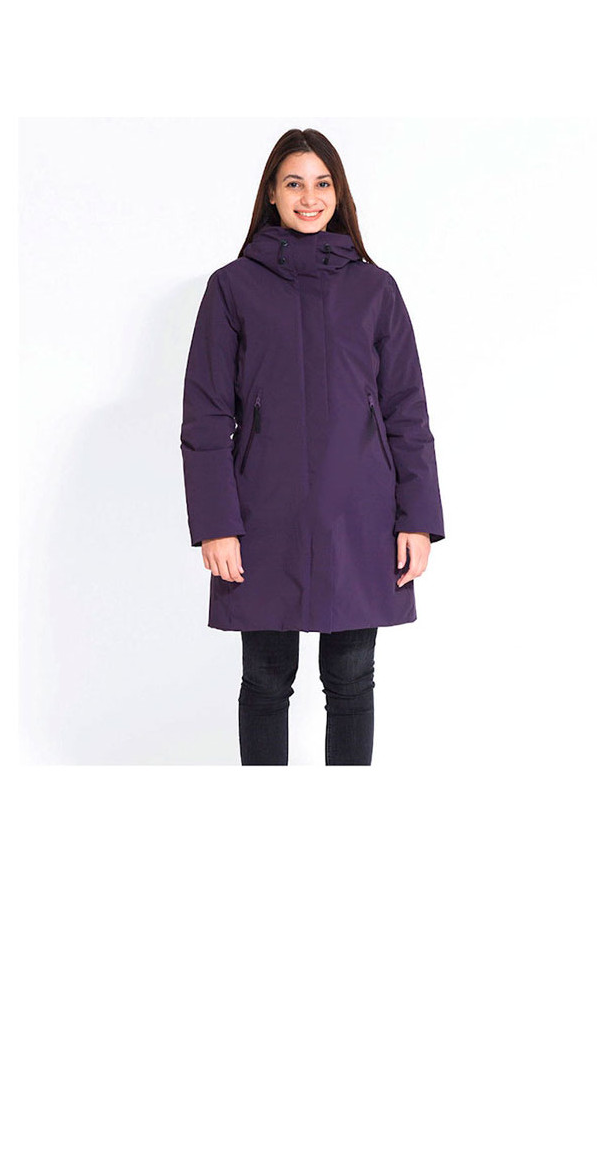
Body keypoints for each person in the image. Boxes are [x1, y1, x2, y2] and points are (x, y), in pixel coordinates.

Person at [180, 127, 445, 765]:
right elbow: (207, 416)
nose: (309, 197)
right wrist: (217, 524)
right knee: (266, 682)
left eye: (322, 184)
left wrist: (417, 519)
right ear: (271, 194)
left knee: (351, 683)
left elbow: (407, 412)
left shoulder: (374, 289)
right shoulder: (232, 288)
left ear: (339, 193)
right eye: (294, 183)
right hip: (263, 515)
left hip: (361, 515)